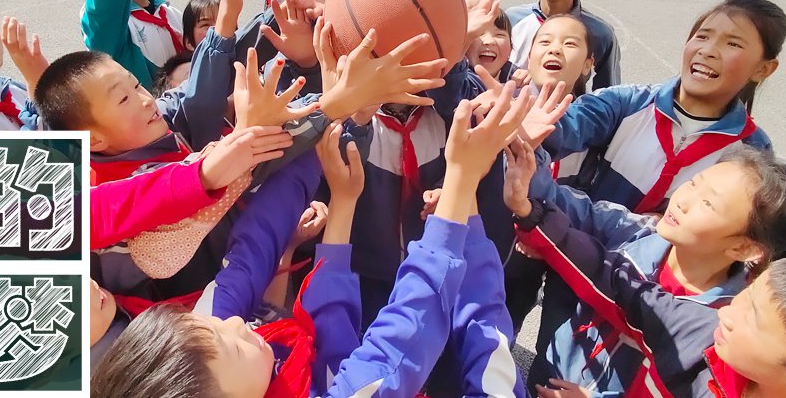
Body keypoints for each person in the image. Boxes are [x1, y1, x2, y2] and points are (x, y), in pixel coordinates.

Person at [92, 82, 535, 397]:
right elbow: (404, 338)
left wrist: (333, 126)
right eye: (229, 341)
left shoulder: (218, 346)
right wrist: (462, 187)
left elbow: (257, 255)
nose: (234, 323)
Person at [516, 212, 786, 397]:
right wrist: (535, 215)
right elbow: (630, 291)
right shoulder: (709, 339)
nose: (725, 310)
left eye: (752, 317)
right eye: (747, 297)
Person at [541, 0, 784, 214]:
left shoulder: (753, 151)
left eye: (733, 44)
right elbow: (565, 127)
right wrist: (523, 120)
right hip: (578, 253)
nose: (708, 50)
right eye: (702, 36)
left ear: (764, 68)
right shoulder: (628, 102)